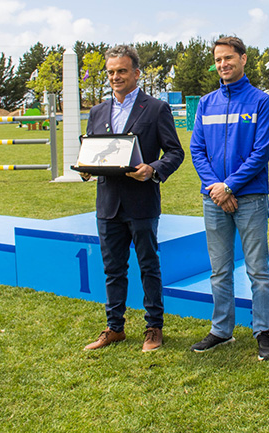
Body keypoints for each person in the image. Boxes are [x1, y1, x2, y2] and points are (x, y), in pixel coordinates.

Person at [83, 45, 184, 352]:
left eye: (122, 71)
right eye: (111, 71)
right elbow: (92, 153)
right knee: (113, 269)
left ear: (136, 73)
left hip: (141, 202)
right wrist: (86, 169)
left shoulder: (155, 108)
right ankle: (114, 327)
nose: (116, 76)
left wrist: (152, 169)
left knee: (148, 266)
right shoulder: (98, 112)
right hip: (108, 204)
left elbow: (176, 152)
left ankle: (154, 327)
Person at [189, 36, 269, 361]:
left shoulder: (260, 102)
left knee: (258, 269)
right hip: (213, 198)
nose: (223, 64)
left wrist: (230, 186)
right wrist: (216, 187)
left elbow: (261, 152)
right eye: (218, 59)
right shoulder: (206, 103)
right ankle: (221, 330)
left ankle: (263, 331)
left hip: (250, 198)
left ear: (242, 59)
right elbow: (197, 150)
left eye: (229, 58)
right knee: (219, 270)